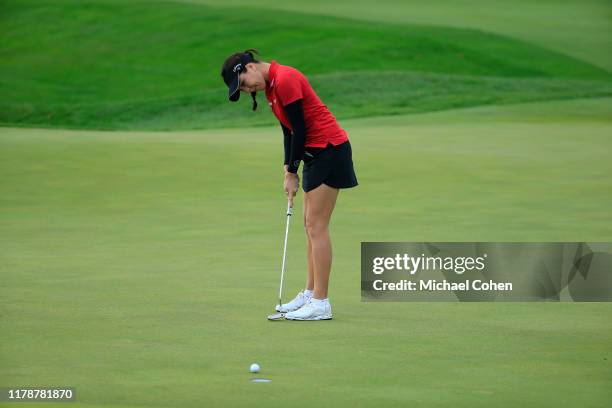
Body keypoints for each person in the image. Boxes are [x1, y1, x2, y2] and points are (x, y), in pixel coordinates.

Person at [221, 49, 358, 320]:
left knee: (317, 227)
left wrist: (294, 170)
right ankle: (310, 293)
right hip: (314, 154)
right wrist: (288, 169)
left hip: (329, 150)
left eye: (246, 84)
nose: (249, 90)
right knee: (310, 225)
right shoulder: (271, 88)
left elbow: (301, 128)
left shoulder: (285, 79)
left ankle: (321, 301)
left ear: (249, 67)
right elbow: (288, 131)